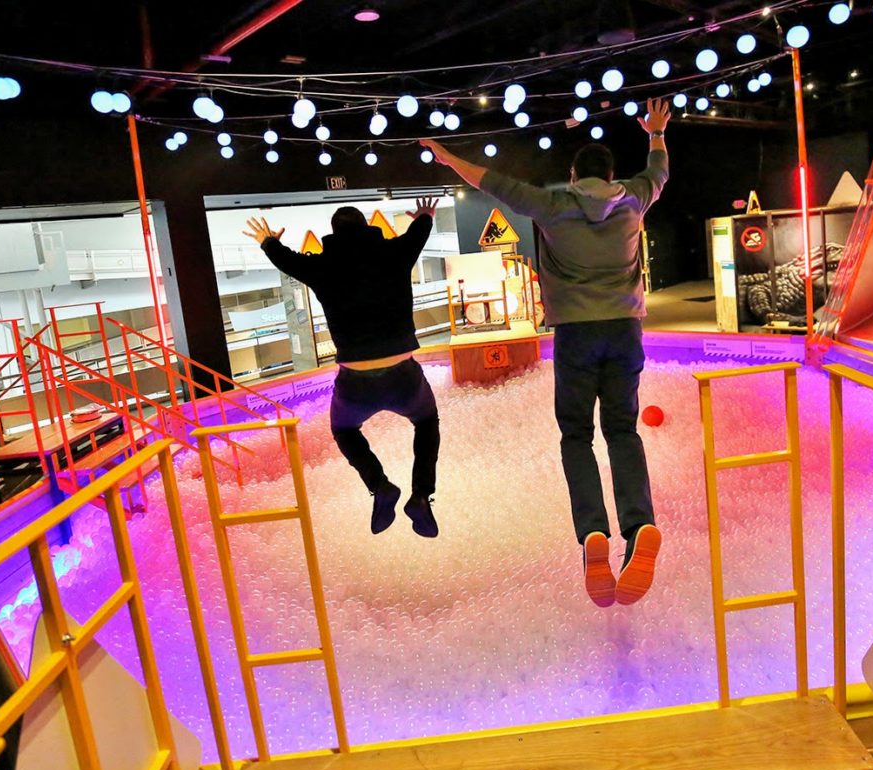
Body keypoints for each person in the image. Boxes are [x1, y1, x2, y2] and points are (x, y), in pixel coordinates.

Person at [421, 98, 671, 607]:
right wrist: (656, 133)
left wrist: (449, 158)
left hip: (576, 335)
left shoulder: (552, 204)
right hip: (625, 331)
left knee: (576, 435)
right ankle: (639, 524)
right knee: (622, 429)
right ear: (611, 174)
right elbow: (659, 171)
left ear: (573, 174)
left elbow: (491, 181)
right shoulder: (634, 200)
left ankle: (593, 534)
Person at [243, 198, 441, 537]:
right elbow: (419, 233)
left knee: (345, 431)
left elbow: (286, 260)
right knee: (425, 422)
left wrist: (268, 240)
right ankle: (421, 495)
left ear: (332, 234)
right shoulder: (395, 252)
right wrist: (424, 214)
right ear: (366, 227)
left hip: (355, 380)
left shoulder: (321, 266)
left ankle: (380, 486)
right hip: (402, 374)